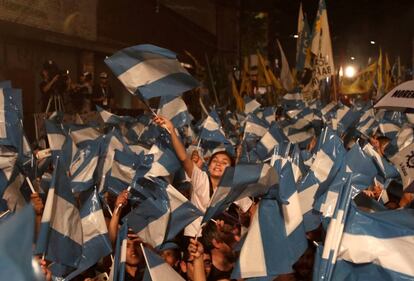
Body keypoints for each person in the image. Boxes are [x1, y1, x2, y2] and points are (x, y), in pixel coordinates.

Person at [153, 116, 253, 237]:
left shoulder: (234, 189)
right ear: (209, 166)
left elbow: (252, 210)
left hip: (219, 239)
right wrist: (172, 130)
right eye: (215, 160)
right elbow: (184, 158)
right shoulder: (200, 178)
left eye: (224, 162)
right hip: (195, 236)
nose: (218, 164)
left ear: (231, 170)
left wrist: (245, 222)